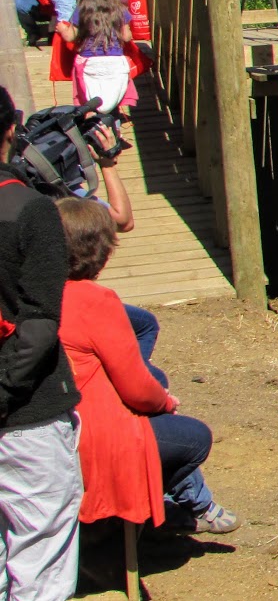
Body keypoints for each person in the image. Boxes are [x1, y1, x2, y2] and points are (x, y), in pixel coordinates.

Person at [55, 197, 236, 586]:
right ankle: (144, 520)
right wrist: (163, 401)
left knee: (154, 391)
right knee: (192, 437)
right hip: (94, 436)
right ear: (102, 251)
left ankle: (175, 508)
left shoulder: (39, 293)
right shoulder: (94, 300)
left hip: (56, 425)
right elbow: (138, 390)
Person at [0, 85, 83, 601]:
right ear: (11, 129)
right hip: (25, 413)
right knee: (39, 558)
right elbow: (37, 324)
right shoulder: (30, 211)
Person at [62, 0, 138, 119]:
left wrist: (62, 29)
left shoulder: (82, 10)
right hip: (115, 62)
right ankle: (113, 129)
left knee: (92, 102)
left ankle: (94, 130)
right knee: (112, 100)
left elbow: (71, 37)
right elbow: (127, 37)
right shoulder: (119, 10)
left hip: (89, 63)